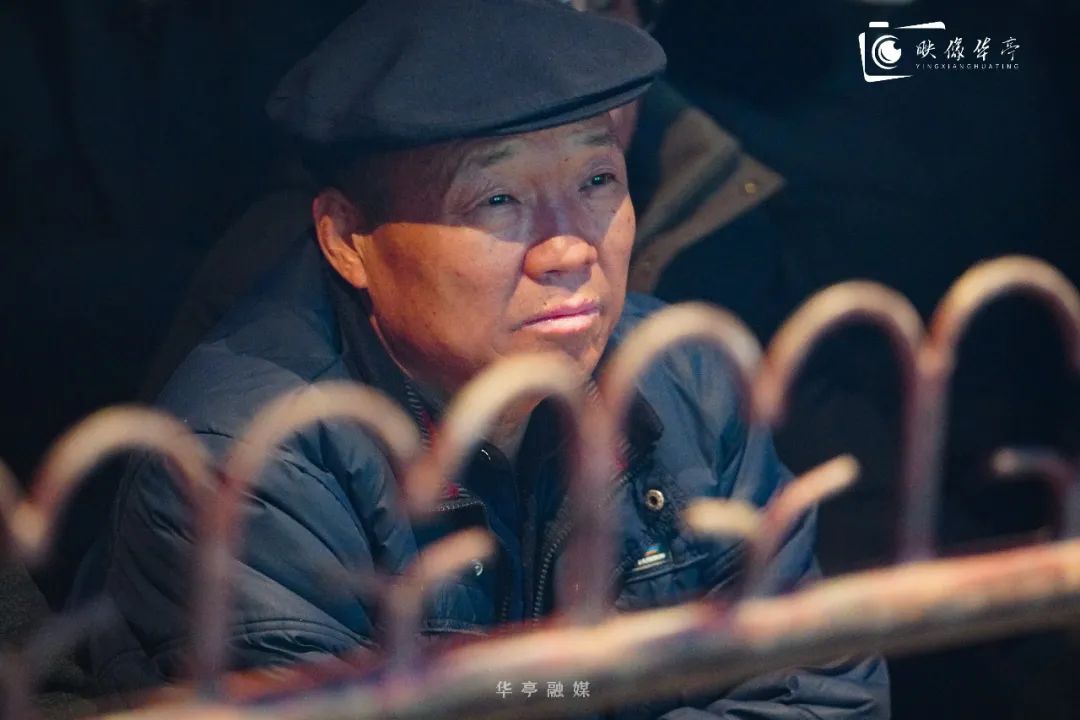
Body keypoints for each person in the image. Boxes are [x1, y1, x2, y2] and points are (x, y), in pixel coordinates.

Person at [71, 1, 889, 716]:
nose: (570, 248)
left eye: (597, 181)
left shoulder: (684, 375)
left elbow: (816, 686)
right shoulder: (248, 471)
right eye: (497, 198)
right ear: (347, 239)